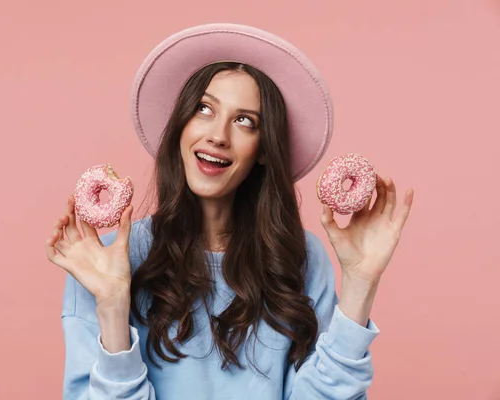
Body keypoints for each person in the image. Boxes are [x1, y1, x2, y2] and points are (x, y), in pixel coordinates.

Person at [46, 24, 414, 400]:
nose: (218, 135)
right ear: (180, 127)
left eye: (244, 121)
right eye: (204, 108)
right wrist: (112, 304)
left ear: (265, 149)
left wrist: (360, 284)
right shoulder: (103, 263)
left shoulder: (301, 259)